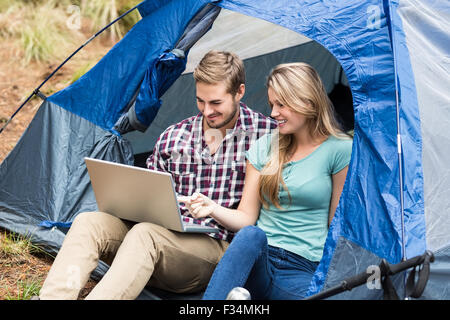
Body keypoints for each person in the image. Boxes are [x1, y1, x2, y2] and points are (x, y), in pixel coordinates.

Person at [37, 50, 276, 300]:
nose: (207, 111)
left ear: (239, 92)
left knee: (146, 235)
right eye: (200, 101)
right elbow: (149, 193)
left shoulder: (265, 135)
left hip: (213, 248)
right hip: (156, 236)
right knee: (89, 222)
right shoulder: (175, 136)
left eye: (216, 103)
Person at [181, 62, 353, 300]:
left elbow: (337, 227)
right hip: (259, 261)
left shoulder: (340, 149)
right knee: (251, 235)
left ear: (307, 102)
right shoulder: (265, 146)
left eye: (281, 104)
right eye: (272, 104)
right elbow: (246, 218)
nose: (273, 113)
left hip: (303, 268)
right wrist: (212, 208)